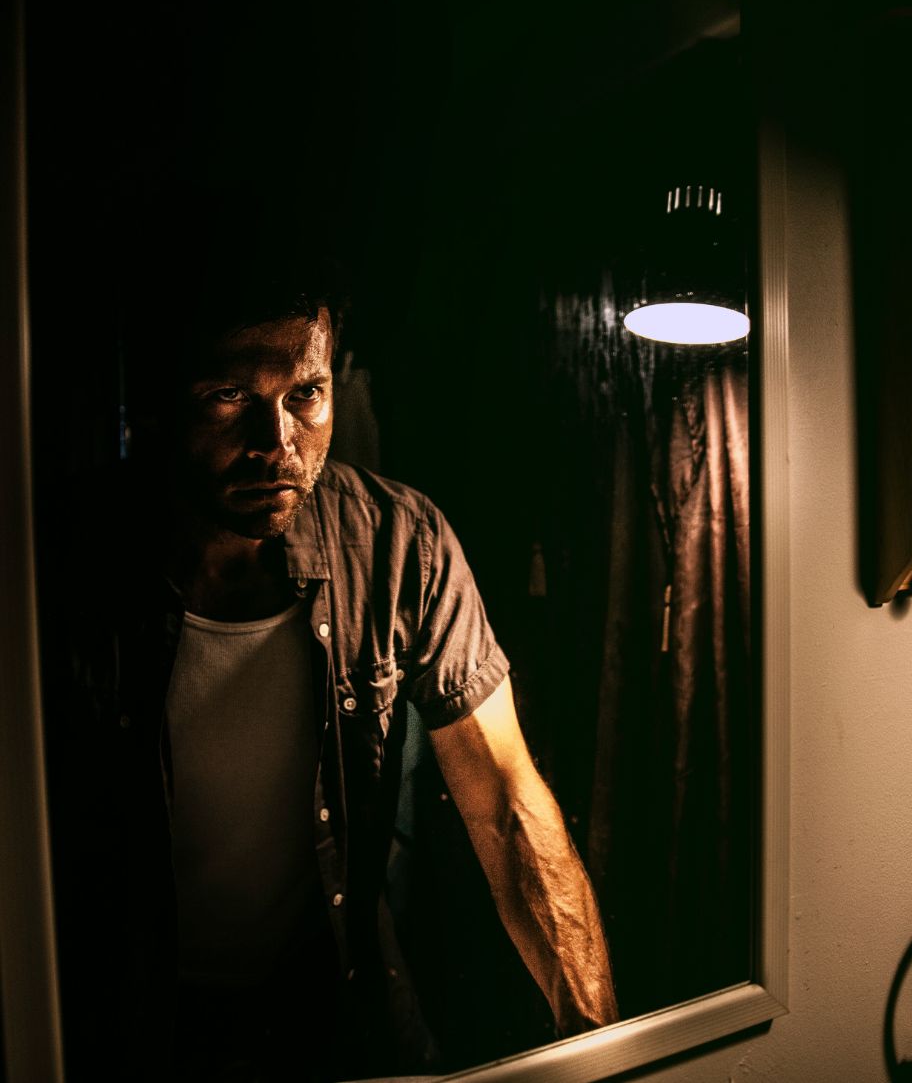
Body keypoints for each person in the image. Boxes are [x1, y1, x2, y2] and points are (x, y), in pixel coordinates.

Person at [45, 257, 617, 1081]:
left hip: (338, 1012)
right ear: (163, 398)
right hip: (124, 1025)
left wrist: (602, 1046)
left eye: (305, 395)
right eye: (229, 394)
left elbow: (505, 802)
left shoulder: (399, 540)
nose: (275, 443)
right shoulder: (62, 555)